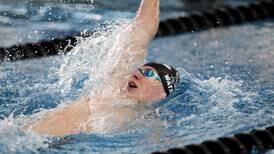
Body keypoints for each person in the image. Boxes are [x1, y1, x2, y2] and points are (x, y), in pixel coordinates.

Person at [26, 0, 180, 136]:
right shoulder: (116, 85)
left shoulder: (147, 119)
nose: (137, 73)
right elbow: (143, 26)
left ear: (161, 93)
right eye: (140, 69)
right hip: (31, 132)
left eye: (148, 73)